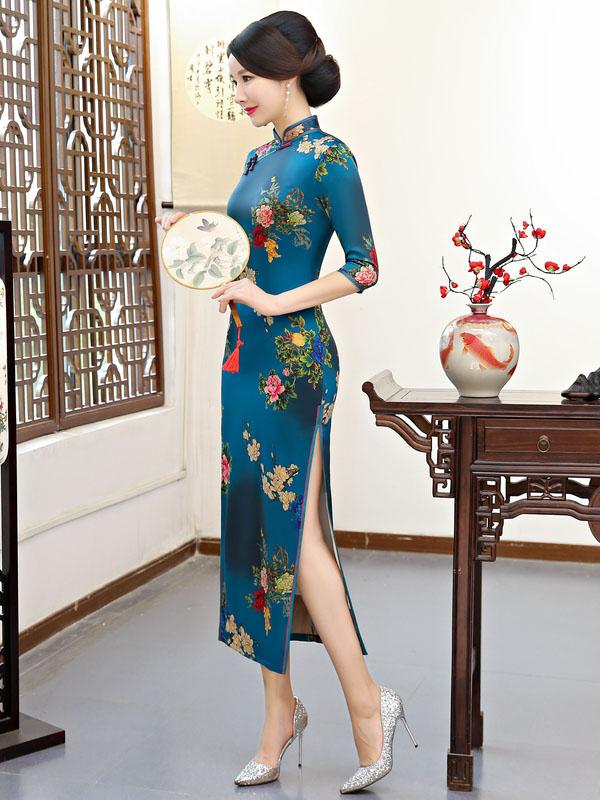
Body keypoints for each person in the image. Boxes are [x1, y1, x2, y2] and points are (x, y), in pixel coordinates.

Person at [156, 10, 417, 793]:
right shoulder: (257, 155)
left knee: (297, 537)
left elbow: (365, 266)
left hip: (297, 363)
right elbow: (251, 255)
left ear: (289, 70)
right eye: (235, 79)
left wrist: (272, 302)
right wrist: (205, 249)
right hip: (244, 359)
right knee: (254, 532)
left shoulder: (330, 157)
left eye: (248, 78)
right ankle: (279, 714)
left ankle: (369, 704)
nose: (239, 92)